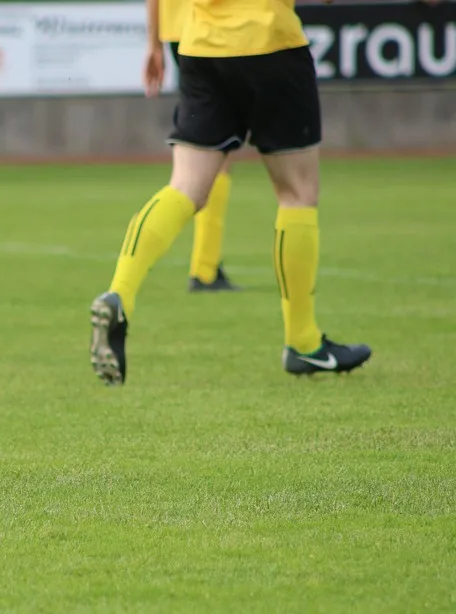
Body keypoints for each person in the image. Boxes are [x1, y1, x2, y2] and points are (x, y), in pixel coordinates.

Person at [89, 0, 372, 385]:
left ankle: (120, 293)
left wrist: (154, 42)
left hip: (201, 45)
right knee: (297, 193)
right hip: (269, 41)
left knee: (185, 186)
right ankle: (303, 343)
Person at [144, 0, 240, 292]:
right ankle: (205, 268)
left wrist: (155, 45)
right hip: (214, 28)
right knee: (217, 153)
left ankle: (206, 265)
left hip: (178, 30)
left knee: (211, 151)